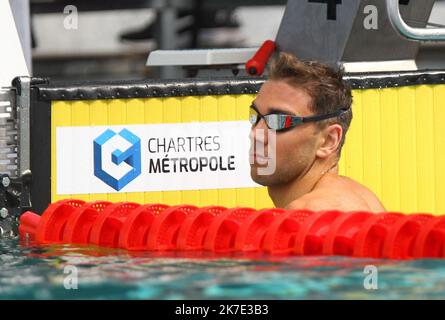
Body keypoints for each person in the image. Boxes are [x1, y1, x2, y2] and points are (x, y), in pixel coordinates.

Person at [249, 52, 386, 213]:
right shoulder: (361, 196)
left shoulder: (310, 214)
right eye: (255, 116)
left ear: (329, 140)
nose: (256, 134)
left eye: (279, 121)